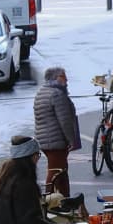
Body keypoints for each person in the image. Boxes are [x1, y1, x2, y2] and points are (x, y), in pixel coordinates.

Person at [33, 66, 80, 198]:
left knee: (59, 171)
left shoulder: (42, 91)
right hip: (56, 141)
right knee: (57, 172)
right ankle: (53, 199)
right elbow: (65, 121)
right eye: (64, 76)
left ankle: (62, 198)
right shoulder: (57, 94)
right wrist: (72, 140)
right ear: (56, 78)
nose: (67, 80)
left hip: (45, 139)